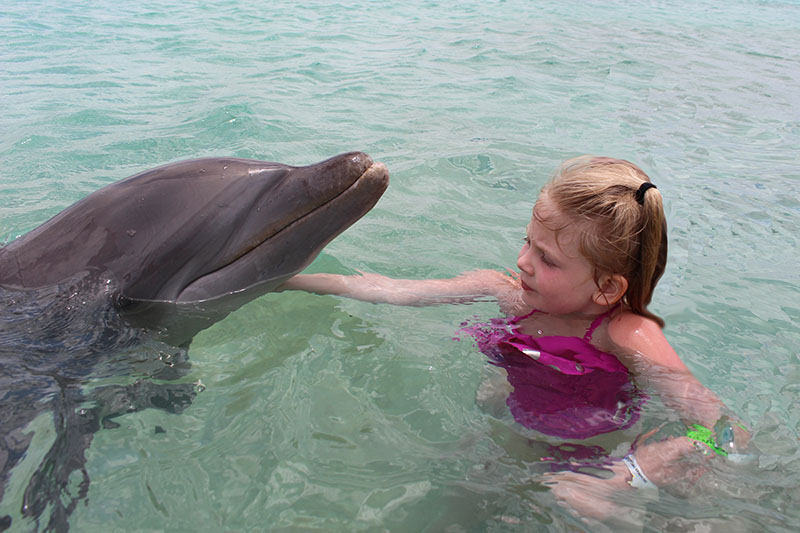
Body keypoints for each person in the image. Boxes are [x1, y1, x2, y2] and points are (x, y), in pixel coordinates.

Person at [278, 156, 751, 522]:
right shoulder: (506, 295)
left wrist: (634, 474)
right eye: (526, 241)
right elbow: (392, 291)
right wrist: (286, 281)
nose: (523, 262)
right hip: (508, 443)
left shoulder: (625, 333)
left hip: (592, 468)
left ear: (607, 287)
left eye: (547, 259)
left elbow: (725, 430)